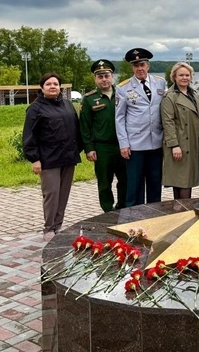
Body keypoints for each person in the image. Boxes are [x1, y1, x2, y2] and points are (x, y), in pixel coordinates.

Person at [22, 72, 82, 242]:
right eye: (48, 84)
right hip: (48, 160)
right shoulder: (35, 108)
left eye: (55, 84)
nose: (52, 87)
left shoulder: (68, 105)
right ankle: (49, 228)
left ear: (60, 87)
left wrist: (79, 148)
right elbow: (29, 135)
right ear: (42, 88)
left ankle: (58, 226)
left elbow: (76, 128)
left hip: (68, 157)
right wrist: (34, 158)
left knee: (63, 194)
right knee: (52, 194)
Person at [115, 48, 166, 206]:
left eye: (142, 64)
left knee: (155, 184)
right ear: (132, 67)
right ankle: (134, 217)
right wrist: (123, 143)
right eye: (136, 65)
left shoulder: (160, 82)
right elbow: (119, 117)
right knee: (135, 186)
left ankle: (154, 214)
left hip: (156, 142)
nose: (139, 68)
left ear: (148, 65)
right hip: (135, 144)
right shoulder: (123, 88)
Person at [80, 59, 128, 212]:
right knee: (104, 182)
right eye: (100, 77)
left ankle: (123, 207)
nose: (104, 79)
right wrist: (89, 148)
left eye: (107, 76)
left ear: (112, 77)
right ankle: (107, 210)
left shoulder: (123, 94)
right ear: (95, 79)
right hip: (102, 147)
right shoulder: (89, 99)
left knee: (126, 179)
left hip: (123, 145)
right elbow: (85, 126)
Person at [161, 62, 199, 199]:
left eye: (187, 75)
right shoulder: (169, 96)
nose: (184, 78)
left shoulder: (194, 94)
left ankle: (182, 208)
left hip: (193, 142)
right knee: (181, 180)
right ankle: (182, 209)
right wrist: (174, 145)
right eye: (181, 75)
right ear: (174, 77)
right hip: (180, 143)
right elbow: (168, 122)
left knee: (187, 179)